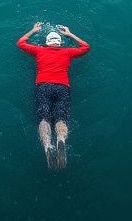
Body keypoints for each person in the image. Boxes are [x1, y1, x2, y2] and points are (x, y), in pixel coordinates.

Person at [16, 22, 90, 169]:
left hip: (43, 86)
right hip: (63, 87)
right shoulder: (67, 52)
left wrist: (33, 30)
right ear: (60, 43)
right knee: (60, 118)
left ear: (47, 42)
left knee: (44, 118)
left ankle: (47, 146)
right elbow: (86, 47)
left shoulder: (39, 50)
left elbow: (20, 43)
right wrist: (69, 33)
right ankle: (61, 140)